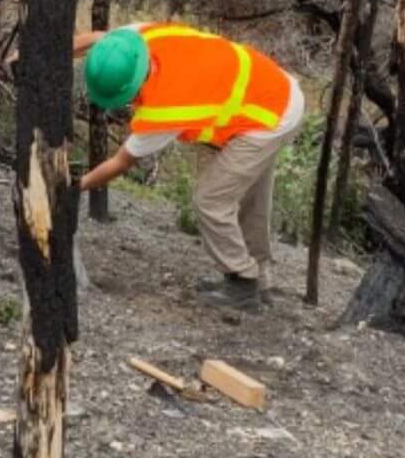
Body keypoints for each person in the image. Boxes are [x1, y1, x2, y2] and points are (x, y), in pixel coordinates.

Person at [76, 23, 307, 308]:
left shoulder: (166, 108)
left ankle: (243, 281)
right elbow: (99, 40)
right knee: (250, 197)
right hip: (272, 89)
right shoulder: (140, 40)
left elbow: (121, 161)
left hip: (269, 115)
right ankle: (260, 279)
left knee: (211, 199)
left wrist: (77, 186)